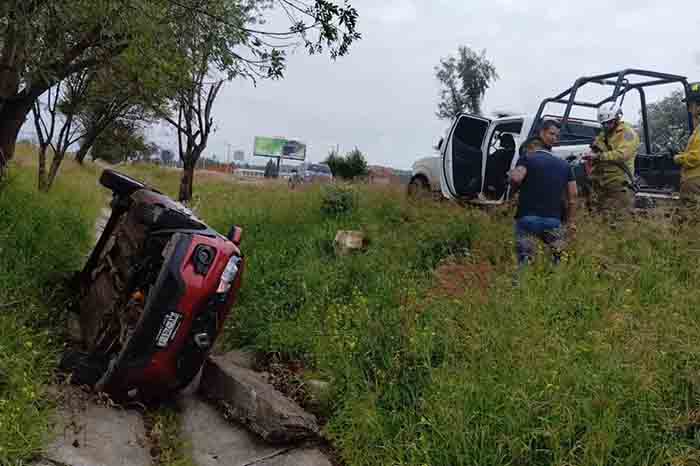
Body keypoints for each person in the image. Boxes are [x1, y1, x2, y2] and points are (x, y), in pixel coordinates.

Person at [508, 144, 578, 269]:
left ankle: (522, 278)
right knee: (556, 259)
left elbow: (516, 178)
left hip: (527, 218)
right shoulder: (565, 165)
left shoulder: (527, 158)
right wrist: (570, 221)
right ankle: (554, 278)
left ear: (530, 149)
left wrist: (511, 193)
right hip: (554, 221)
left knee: (524, 258)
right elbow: (573, 195)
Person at [584, 102, 640, 217]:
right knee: (599, 218)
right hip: (600, 183)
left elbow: (622, 155)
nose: (606, 126)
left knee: (619, 219)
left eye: (609, 123)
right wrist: (590, 154)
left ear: (617, 118)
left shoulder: (628, 133)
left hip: (618, 185)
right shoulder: (604, 134)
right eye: (603, 124)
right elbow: (596, 147)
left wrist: (599, 156)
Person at [674, 82, 700, 220]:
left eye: (691, 105)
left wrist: (679, 158)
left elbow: (696, 157)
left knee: (689, 221)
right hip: (692, 181)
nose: (689, 109)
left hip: (695, 181)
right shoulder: (698, 128)